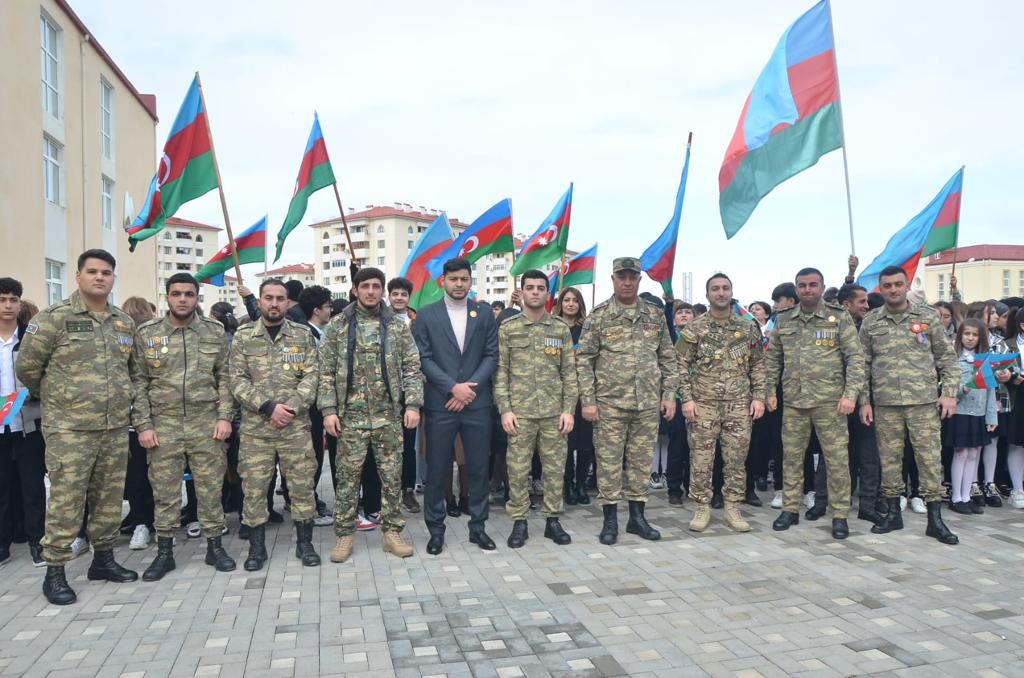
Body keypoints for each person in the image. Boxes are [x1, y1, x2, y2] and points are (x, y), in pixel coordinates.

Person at [17, 249, 140, 605]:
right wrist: (61, 398)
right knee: (67, 500)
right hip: (70, 430)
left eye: (106, 272)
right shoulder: (53, 319)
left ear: (113, 278)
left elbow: (131, 371)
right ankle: (55, 571)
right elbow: (28, 368)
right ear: (78, 276)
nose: (100, 277)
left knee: (108, 499)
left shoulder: (122, 323)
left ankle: (103, 560)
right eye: (92, 271)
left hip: (113, 427)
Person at [132, 273, 236, 580]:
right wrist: (143, 425)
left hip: (206, 423)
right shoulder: (148, 333)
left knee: (210, 489)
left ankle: (215, 546)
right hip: (163, 424)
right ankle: (165, 552)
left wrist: (224, 417)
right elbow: (138, 382)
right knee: (165, 491)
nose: (182, 299)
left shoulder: (213, 332)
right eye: (176, 293)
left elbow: (225, 377)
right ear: (167, 297)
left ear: (196, 297)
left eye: (188, 294)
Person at [318, 268, 423, 562]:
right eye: (365, 286)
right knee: (347, 479)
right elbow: (325, 372)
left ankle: (392, 533)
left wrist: (413, 405)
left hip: (387, 416)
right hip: (350, 417)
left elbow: (412, 367)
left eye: (377, 286)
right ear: (355, 289)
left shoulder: (396, 326)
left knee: (391, 477)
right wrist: (328, 410)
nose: (371, 291)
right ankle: (344, 535)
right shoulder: (338, 325)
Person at [577, 257, 679, 545]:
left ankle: (637, 518)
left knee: (641, 463)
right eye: (621, 277)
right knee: (608, 464)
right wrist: (588, 400)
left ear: (639, 280)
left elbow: (667, 356)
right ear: (613, 280)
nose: (627, 282)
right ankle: (610, 520)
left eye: (632, 277)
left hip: (646, 403)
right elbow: (584, 360)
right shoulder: (599, 315)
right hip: (609, 404)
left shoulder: (654, 314)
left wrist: (669, 395)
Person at [859, 265, 959, 544]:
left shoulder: (927, 317)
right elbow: (861, 365)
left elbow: (947, 359)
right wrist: (864, 402)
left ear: (906, 286)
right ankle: (893, 513)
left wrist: (949, 393)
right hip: (886, 403)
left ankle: (935, 520)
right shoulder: (871, 322)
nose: (893, 289)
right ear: (881, 289)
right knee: (889, 460)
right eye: (887, 285)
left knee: (929, 460)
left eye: (898, 284)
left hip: (923, 403)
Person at [765, 267, 865, 540]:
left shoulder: (839, 317)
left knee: (836, 461)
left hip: (830, 403)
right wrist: (769, 391)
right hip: (794, 402)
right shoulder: (784, 319)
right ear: (796, 289)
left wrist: (850, 395)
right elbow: (773, 359)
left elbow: (855, 359)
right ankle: (790, 509)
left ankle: (840, 514)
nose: (807, 289)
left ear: (821, 287)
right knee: (792, 458)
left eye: (812, 285)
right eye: (802, 285)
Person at [230, 278, 321, 570]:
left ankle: (305, 544)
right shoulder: (244, 336)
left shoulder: (302, 335)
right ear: (259, 301)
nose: (274, 304)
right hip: (257, 430)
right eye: (268, 298)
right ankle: (256, 548)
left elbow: (312, 376)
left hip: (295, 428)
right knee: (255, 489)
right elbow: (237, 380)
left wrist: (289, 408)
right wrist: (268, 408)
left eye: (280, 298)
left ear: (287, 302)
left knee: (302, 486)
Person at [411, 258, 499, 555]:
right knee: (437, 470)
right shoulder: (426, 315)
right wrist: (452, 387)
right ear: (443, 281)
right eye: (453, 279)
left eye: (464, 279)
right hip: (441, 403)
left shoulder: (484, 314)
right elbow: (423, 358)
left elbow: (491, 355)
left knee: (478, 468)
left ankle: (478, 527)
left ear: (470, 281)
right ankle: (436, 531)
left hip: (476, 403)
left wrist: (468, 389)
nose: (459, 284)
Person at [676, 273, 765, 533]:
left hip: (739, 404)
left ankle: (732, 508)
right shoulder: (694, 328)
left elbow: (758, 365)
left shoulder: (747, 328)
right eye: (715, 289)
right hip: (703, 404)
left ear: (731, 292)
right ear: (707, 295)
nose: (721, 293)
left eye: (725, 288)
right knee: (701, 459)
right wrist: (686, 399)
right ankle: (701, 506)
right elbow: (679, 364)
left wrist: (759, 397)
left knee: (736, 459)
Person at [496, 270, 577, 548]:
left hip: (554, 414)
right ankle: (519, 522)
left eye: (540, 288)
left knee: (554, 470)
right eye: (529, 287)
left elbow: (569, 373)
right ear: (522, 292)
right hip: (520, 414)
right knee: (518, 471)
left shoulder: (560, 328)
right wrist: (505, 409)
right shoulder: (508, 328)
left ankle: (553, 520)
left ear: (547, 293)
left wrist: (568, 409)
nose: (535, 292)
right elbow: (501, 373)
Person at [0, 278, 45, 568]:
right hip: (0, 429)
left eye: (13, 300)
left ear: (19, 303)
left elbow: (44, 376)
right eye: (2, 299)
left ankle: (38, 543)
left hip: (27, 425)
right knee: (2, 490)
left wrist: (31, 394)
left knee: (33, 488)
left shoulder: (31, 337)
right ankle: (2, 545)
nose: (8, 305)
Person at [838, 283, 883, 524]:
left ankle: (868, 504)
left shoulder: (873, 327)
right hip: (838, 400)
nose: (867, 306)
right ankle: (829, 502)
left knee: (869, 455)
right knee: (836, 455)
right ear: (847, 305)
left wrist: (864, 400)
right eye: (862, 301)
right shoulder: (833, 326)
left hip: (866, 401)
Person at [948, 318, 997, 514]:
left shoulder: (985, 361)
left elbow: (991, 391)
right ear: (960, 336)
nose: (970, 338)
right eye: (966, 334)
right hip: (960, 412)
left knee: (974, 454)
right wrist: (963, 389)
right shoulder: (953, 359)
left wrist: (991, 417)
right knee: (960, 453)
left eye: (975, 335)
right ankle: (956, 497)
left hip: (978, 413)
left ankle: (967, 496)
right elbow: (947, 389)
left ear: (980, 338)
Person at [297, 285, 336, 526]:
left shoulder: (320, 333)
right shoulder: (307, 336)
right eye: (328, 306)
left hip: (319, 405)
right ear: (316, 310)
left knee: (316, 456)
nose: (330, 310)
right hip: (310, 406)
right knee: (311, 457)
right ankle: (307, 504)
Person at [555, 287, 593, 505]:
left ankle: (581, 485)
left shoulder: (587, 329)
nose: (570, 304)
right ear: (560, 303)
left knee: (586, 443)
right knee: (566, 442)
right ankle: (567, 485)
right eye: (567, 300)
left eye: (575, 300)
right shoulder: (553, 328)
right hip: (560, 394)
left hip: (585, 393)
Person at [386, 276, 421, 513]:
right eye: (395, 294)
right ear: (389, 296)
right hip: (384, 392)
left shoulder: (416, 320)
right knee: (385, 445)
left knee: (408, 445)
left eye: (403, 294)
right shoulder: (380, 319)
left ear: (409, 297)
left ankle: (408, 490)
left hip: (409, 391)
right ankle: (386, 492)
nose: (399, 298)